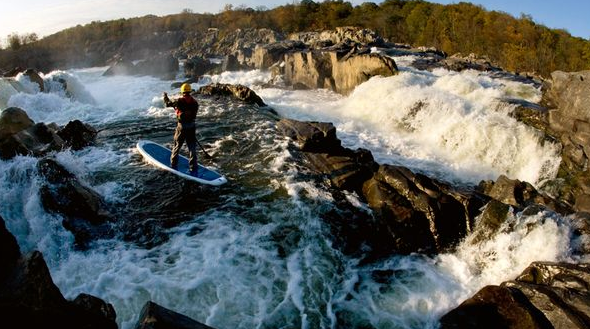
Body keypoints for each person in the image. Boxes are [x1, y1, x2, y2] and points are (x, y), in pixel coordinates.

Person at [163, 83, 199, 174]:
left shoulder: (179, 101)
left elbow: (168, 104)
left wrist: (165, 97)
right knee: (192, 147)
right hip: (191, 126)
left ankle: (173, 164)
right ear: (189, 91)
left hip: (182, 127)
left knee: (177, 145)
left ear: (182, 91)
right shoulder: (195, 103)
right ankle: (193, 167)